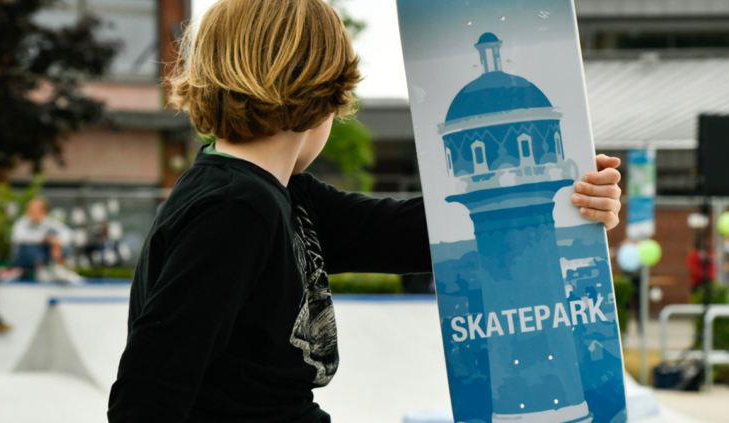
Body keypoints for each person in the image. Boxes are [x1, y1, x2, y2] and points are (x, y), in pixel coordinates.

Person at [106, 2, 625, 421]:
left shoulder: (284, 196)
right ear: (322, 91)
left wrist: (574, 194)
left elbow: (405, 234)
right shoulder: (235, 208)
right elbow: (149, 390)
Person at [7, 198, 83, 283]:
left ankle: (58, 269)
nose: (32, 212)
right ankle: (41, 270)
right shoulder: (21, 222)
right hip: (23, 259)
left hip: (46, 256)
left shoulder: (50, 222)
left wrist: (57, 244)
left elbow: (67, 233)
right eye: (31, 209)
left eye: (36, 210)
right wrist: (44, 238)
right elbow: (18, 237)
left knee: (62, 244)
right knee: (30, 246)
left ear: (44, 211)